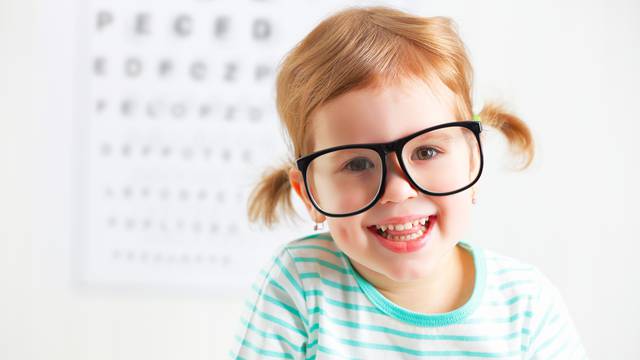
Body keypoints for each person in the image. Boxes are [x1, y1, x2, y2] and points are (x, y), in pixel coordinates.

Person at [230, 6, 587, 359]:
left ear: (473, 159)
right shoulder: (300, 286)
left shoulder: (526, 308)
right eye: (357, 163)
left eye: (427, 152)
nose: (398, 190)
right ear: (309, 192)